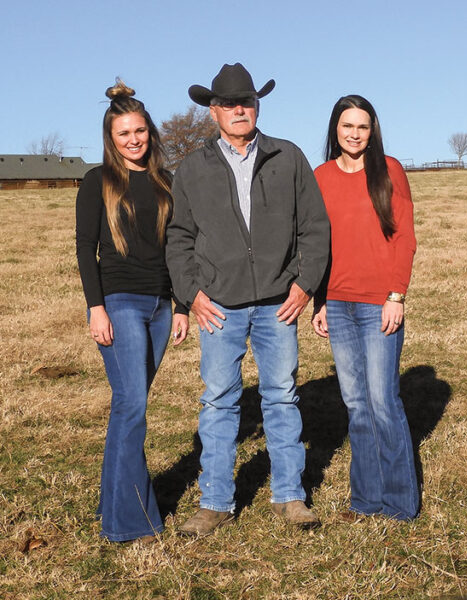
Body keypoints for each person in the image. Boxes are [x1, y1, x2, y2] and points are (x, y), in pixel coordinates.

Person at [166, 63, 330, 536]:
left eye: (248, 101)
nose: (240, 109)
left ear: (257, 106)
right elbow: (178, 237)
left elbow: (314, 228)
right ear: (213, 111)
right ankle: (215, 502)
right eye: (230, 103)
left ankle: (290, 496)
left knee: (282, 396)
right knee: (218, 401)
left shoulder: (288, 157)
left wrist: (304, 284)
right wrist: (191, 294)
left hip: (280, 301)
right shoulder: (193, 168)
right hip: (218, 304)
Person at [75, 79, 190, 543]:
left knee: (128, 407)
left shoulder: (167, 182)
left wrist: (181, 306)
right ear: (111, 137)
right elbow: (86, 248)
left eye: (140, 131)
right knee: (132, 405)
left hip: (161, 306)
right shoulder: (97, 181)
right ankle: (130, 522)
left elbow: (180, 248)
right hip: (119, 302)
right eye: (124, 134)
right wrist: (95, 307)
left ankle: (111, 503)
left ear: (150, 132)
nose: (133, 140)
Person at [311, 94, 419, 521]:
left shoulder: (389, 170)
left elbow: (405, 237)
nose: (354, 134)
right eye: (347, 126)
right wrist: (319, 301)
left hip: (379, 305)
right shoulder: (321, 176)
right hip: (337, 303)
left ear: (371, 131)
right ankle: (366, 499)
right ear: (335, 129)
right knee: (355, 404)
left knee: (382, 401)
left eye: (362, 126)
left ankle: (398, 503)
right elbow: (318, 245)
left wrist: (396, 295)